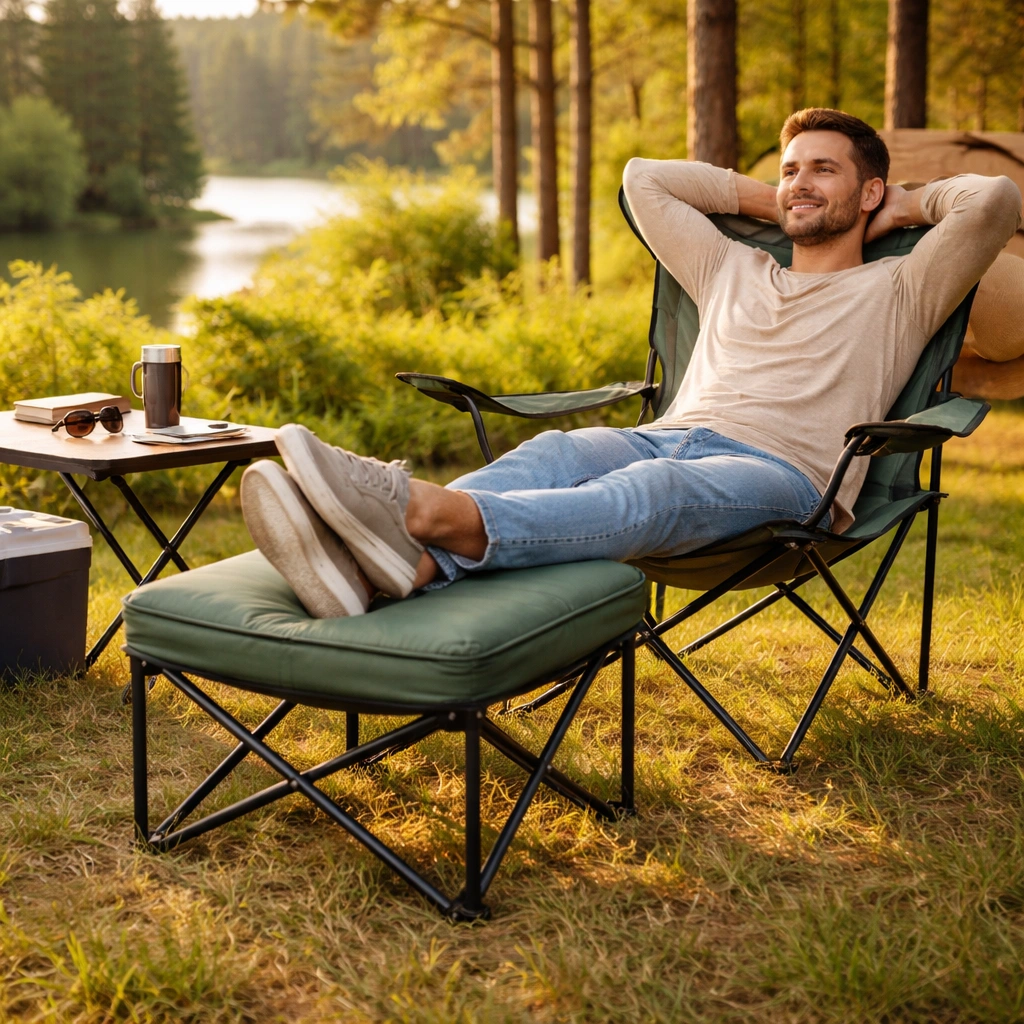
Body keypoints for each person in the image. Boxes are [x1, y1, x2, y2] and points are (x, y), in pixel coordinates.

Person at [239, 108, 1021, 619]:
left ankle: (416, 510)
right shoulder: (730, 268)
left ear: (870, 188)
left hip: (785, 476)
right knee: (559, 450)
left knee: (652, 492)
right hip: (672, 430)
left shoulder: (902, 286)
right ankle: (397, 567)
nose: (799, 182)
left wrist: (905, 208)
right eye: (790, 169)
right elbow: (642, 179)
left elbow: (991, 203)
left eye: (823, 170)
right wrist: (771, 202)